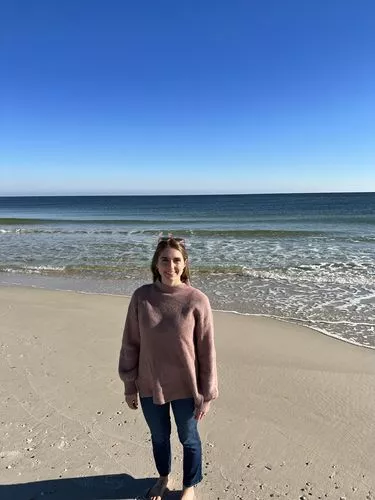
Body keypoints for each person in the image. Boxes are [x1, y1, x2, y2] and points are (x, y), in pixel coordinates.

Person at [118, 236, 218, 500]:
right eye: (165, 260)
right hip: (149, 384)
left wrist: (207, 394)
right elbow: (130, 342)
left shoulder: (197, 300)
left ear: (185, 264)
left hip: (187, 387)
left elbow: (207, 351)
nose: (170, 266)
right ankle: (164, 477)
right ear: (156, 263)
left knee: (189, 438)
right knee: (159, 437)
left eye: (176, 260)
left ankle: (189, 485)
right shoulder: (142, 298)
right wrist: (129, 384)